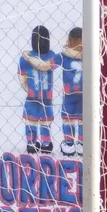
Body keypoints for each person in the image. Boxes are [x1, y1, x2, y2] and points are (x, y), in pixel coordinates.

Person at [18, 25, 61, 154]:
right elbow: (53, 66)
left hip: (32, 95)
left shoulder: (25, 58)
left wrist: (28, 89)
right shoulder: (52, 55)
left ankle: (31, 143)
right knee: (45, 122)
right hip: (46, 96)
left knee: (30, 120)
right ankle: (46, 143)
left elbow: (22, 78)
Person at [59, 27, 83, 157]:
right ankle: (82, 144)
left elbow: (49, 64)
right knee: (83, 119)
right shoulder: (90, 55)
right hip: (84, 94)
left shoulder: (64, 55)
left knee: (68, 119)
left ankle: (69, 144)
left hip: (69, 94)